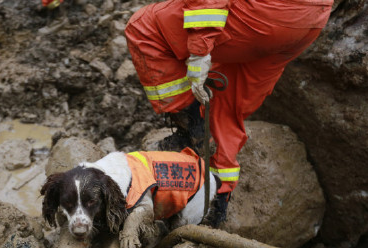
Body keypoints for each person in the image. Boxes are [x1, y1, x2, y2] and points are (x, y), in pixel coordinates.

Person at [125, 0, 333, 226]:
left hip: (267, 15)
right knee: (226, 102)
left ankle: (191, 129)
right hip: (310, 20)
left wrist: (200, 47)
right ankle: (218, 204)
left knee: (144, 27)